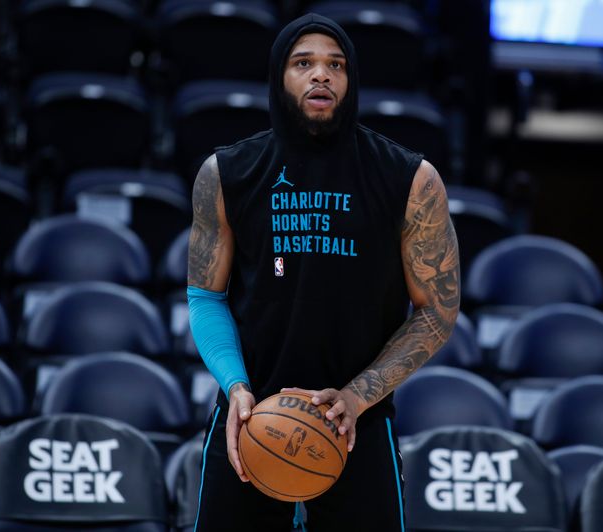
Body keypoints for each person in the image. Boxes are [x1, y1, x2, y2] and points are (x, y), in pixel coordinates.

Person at [187, 13, 459, 532]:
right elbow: (206, 296)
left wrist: (358, 396)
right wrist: (236, 386)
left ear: (351, 79)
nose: (321, 75)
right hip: (251, 416)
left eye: (336, 65)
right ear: (279, 76)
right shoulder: (226, 173)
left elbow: (437, 311)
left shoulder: (410, 178)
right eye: (303, 63)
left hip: (358, 421)